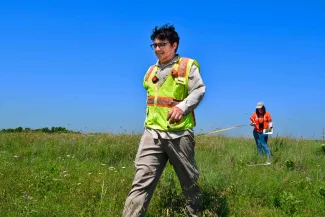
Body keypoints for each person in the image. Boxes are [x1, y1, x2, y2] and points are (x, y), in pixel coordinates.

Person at [122, 24, 206, 217]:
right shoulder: (150, 71)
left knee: (189, 182)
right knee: (141, 182)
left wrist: (181, 107)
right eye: (155, 45)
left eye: (162, 44)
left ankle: (196, 214)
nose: (158, 49)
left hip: (179, 135)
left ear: (174, 45)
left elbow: (199, 90)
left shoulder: (187, 66)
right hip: (152, 134)